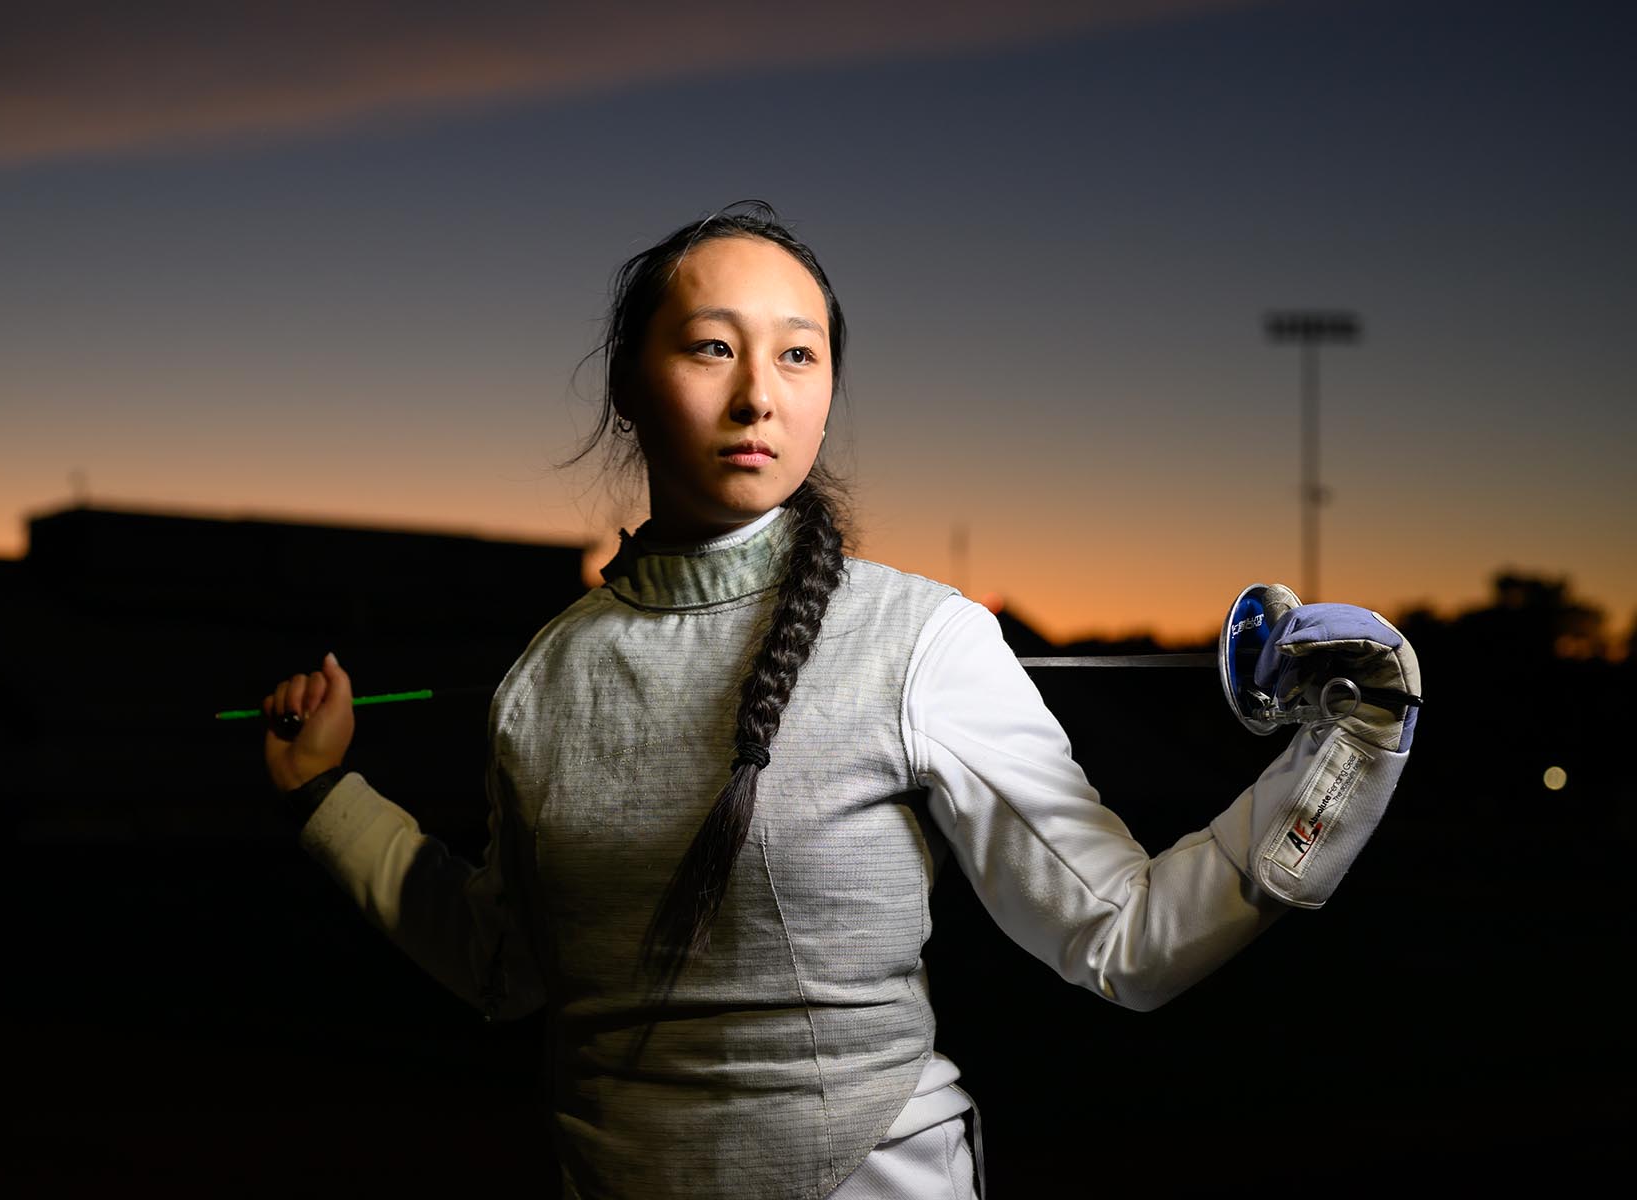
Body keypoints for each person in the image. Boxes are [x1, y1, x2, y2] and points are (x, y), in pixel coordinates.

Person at [258, 203, 1420, 1199]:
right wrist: (328, 798)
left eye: (798, 355)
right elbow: (506, 966)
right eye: (711, 347)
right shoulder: (543, 679)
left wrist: (1349, 742)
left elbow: (1123, 941)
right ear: (627, 383)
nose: (757, 394)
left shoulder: (922, 640)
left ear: (827, 393)